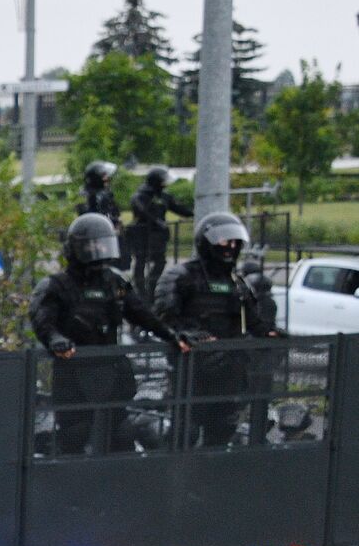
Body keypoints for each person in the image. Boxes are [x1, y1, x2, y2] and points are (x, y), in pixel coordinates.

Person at [30, 213, 189, 455]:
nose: (99, 251)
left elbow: (140, 313)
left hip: (111, 370)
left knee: (120, 435)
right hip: (74, 371)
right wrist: (55, 340)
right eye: (93, 246)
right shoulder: (57, 285)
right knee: (74, 434)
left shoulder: (114, 282)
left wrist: (170, 335)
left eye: (104, 244)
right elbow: (43, 320)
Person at [155, 211, 278, 447]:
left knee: (222, 431)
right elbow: (164, 317)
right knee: (184, 432)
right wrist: (187, 334)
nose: (229, 247)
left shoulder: (237, 283)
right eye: (224, 241)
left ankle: (210, 479)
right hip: (191, 370)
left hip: (228, 373)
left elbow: (254, 322)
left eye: (234, 242)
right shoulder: (179, 276)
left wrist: (270, 335)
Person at [128, 166, 193, 303]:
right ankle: (141, 291)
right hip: (142, 235)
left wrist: (194, 212)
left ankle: (152, 287)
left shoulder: (164, 196)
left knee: (160, 262)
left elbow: (178, 208)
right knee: (140, 261)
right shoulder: (141, 195)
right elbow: (141, 210)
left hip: (158, 237)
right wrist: (155, 221)